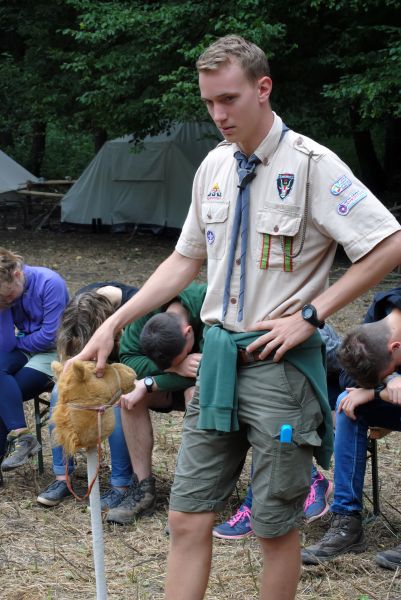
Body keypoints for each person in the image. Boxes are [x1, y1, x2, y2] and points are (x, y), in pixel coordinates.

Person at [68, 35, 401, 600]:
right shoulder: (214, 166)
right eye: (208, 103)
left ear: (262, 88)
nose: (218, 114)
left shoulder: (314, 165)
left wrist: (313, 315)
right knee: (186, 519)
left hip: (279, 365)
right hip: (216, 361)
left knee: (275, 528)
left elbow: (388, 244)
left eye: (228, 99)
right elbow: (183, 259)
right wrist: (111, 323)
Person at [302, 287, 401, 571]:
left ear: (395, 349)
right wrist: (386, 382)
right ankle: (346, 522)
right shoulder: (382, 314)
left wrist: (373, 391)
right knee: (348, 404)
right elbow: (351, 372)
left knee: (356, 398)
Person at [213, 323, 341, 539]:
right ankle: (312, 480)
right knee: (262, 422)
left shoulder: (301, 322)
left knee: (271, 423)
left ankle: (254, 507)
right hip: (252, 373)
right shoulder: (226, 319)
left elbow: (341, 358)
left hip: (314, 385)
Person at [107, 282, 206, 524]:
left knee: (195, 393)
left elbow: (212, 367)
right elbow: (129, 360)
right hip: (167, 384)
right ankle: (143, 489)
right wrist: (176, 367)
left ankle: (193, 492)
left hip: (205, 385)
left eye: (175, 358)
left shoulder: (209, 303)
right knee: (130, 393)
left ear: (188, 332)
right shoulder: (145, 307)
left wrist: (152, 381)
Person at [37, 283, 138, 508]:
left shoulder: (136, 306)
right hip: (92, 374)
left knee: (116, 403)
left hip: (123, 372)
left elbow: (135, 363)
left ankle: (121, 484)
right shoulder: (80, 306)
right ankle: (62, 477)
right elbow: (71, 355)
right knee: (58, 393)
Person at [0, 247, 69, 473]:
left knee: (5, 394)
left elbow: (51, 335)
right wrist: (4, 308)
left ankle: (20, 442)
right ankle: (23, 437)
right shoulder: (5, 296)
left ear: (17, 274)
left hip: (55, 352)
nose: (8, 301)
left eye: (8, 297)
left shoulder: (50, 283)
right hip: (26, 346)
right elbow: (7, 343)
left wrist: (21, 341)